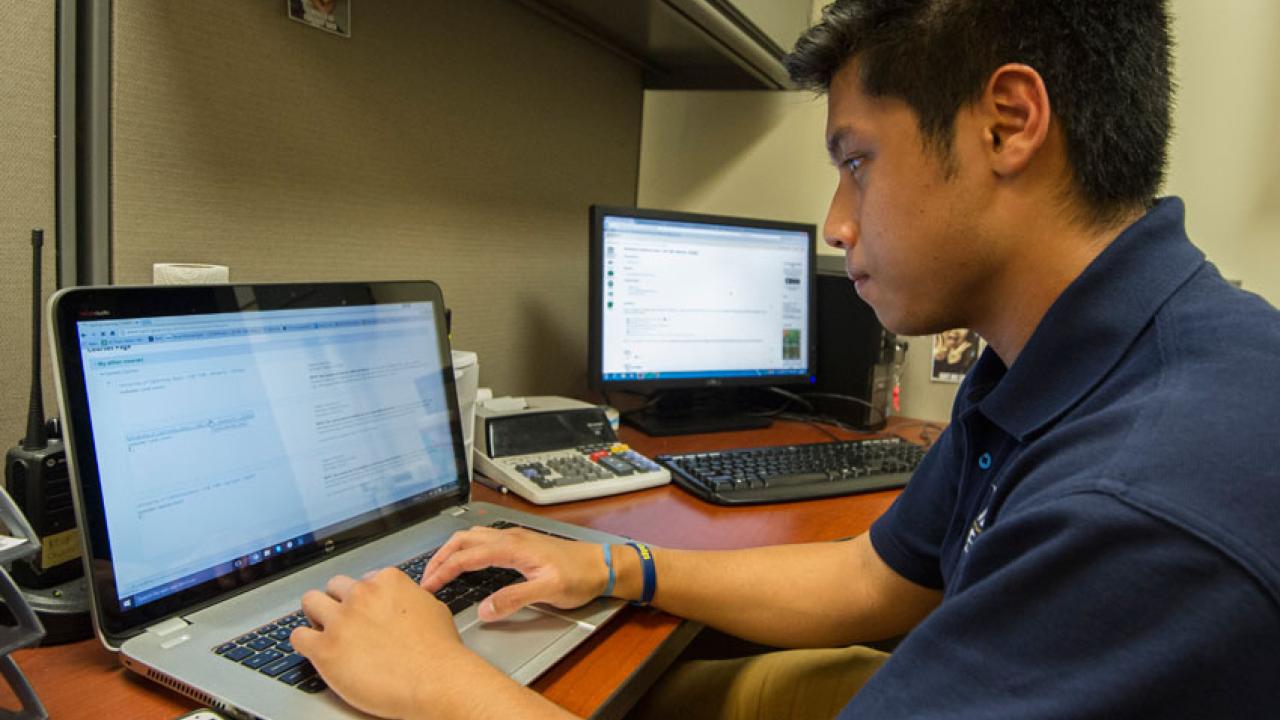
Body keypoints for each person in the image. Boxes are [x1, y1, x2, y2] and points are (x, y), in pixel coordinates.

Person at [290, 1, 1280, 717]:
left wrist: (435, 684)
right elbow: (871, 580)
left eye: (854, 161)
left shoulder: (1141, 503)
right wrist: (610, 565)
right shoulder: (1060, 361)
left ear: (1006, 122)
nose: (835, 223)